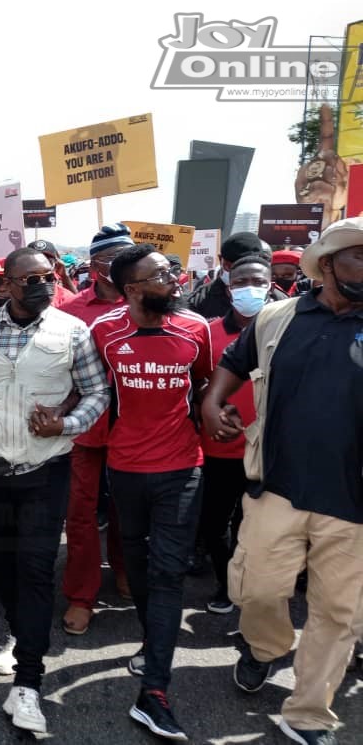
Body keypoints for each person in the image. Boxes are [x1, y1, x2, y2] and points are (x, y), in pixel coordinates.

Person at [202, 217, 363, 745]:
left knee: (338, 613)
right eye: (358, 255)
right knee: (259, 589)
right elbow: (234, 359)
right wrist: (212, 400)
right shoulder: (278, 317)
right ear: (329, 263)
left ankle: (310, 710)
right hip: (277, 487)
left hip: (353, 505)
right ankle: (265, 649)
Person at [0, 247, 109, 734]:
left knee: (37, 570)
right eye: (30, 278)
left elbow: (98, 392)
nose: (42, 285)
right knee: (4, 565)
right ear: (7, 284)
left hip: (46, 470)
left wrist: (66, 423)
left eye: (48, 276)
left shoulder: (72, 332)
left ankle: (29, 683)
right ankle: (18, 634)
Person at [91, 244, 213, 741]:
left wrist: (214, 412)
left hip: (184, 468)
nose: (174, 279)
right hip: (124, 468)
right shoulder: (103, 333)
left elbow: (203, 383)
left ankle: (154, 692)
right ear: (134, 290)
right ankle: (151, 639)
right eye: (161, 275)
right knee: (136, 565)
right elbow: (95, 389)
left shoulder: (196, 329)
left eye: (172, 271)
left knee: (167, 573)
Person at [59, 224, 133, 636]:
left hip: (132, 424)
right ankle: (81, 594)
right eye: (112, 259)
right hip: (83, 425)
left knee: (128, 506)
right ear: (94, 265)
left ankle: (124, 570)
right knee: (80, 513)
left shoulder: (145, 302)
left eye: (127, 257)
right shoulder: (70, 309)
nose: (120, 267)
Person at [196, 254, 279, 616]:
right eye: (241, 281)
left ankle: (250, 586)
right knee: (214, 525)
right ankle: (226, 583)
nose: (250, 288)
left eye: (258, 282)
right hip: (219, 449)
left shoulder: (286, 329)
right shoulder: (209, 332)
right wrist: (210, 405)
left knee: (256, 527)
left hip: (270, 450)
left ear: (271, 285)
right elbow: (195, 382)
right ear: (228, 289)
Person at [187, 232, 285, 319]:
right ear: (221, 259)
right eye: (229, 266)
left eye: (242, 265)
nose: (236, 272)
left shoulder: (280, 301)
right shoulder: (199, 299)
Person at [25, 240, 77, 305]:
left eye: (47, 261)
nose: (41, 265)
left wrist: (64, 276)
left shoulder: (63, 294)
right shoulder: (17, 287)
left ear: (56, 263)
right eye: (34, 261)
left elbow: (76, 303)